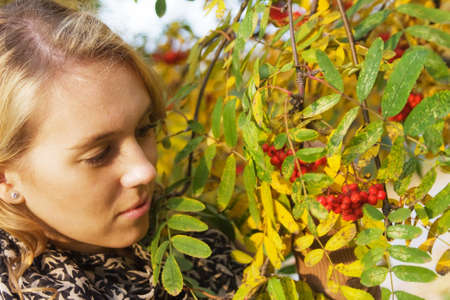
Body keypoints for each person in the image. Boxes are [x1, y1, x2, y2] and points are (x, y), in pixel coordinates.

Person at [0, 0, 243, 299]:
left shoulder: (198, 235)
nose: (145, 170)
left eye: (144, 128)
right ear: (5, 178)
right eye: (99, 154)